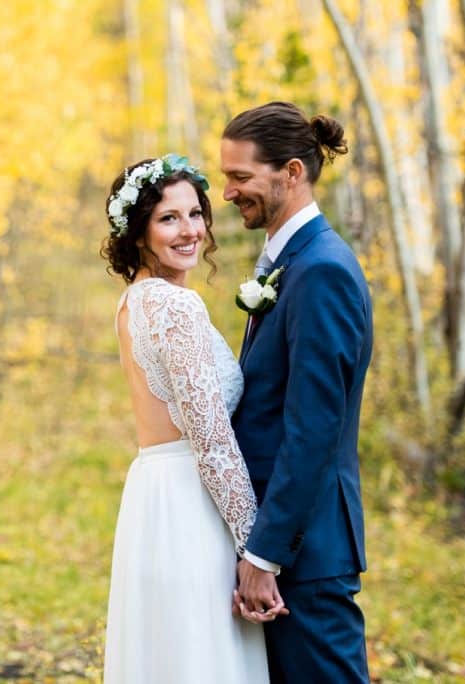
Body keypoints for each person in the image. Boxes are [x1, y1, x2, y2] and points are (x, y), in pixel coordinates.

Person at [101, 154, 277, 683]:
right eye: (169, 218)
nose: (189, 230)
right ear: (139, 232)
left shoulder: (134, 301)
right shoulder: (176, 307)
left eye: (195, 213)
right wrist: (256, 551)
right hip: (191, 507)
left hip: (153, 498)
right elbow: (212, 440)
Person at [223, 102, 373, 682]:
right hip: (286, 546)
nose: (229, 192)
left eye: (241, 177)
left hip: (304, 554)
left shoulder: (322, 271)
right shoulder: (291, 263)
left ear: (291, 172)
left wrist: (265, 555)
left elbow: (314, 429)